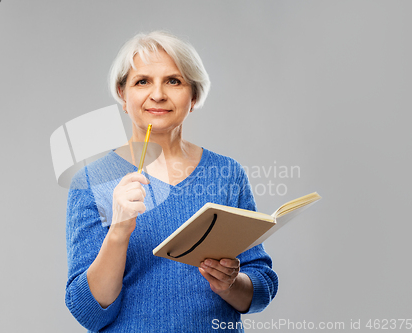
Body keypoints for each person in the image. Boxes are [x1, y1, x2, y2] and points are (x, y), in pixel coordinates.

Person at [65, 31, 278, 332]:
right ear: (122, 94)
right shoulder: (91, 181)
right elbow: (88, 313)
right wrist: (118, 231)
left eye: (173, 81)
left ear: (193, 96)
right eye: (142, 81)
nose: (158, 94)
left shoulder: (227, 174)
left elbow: (262, 288)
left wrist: (231, 284)